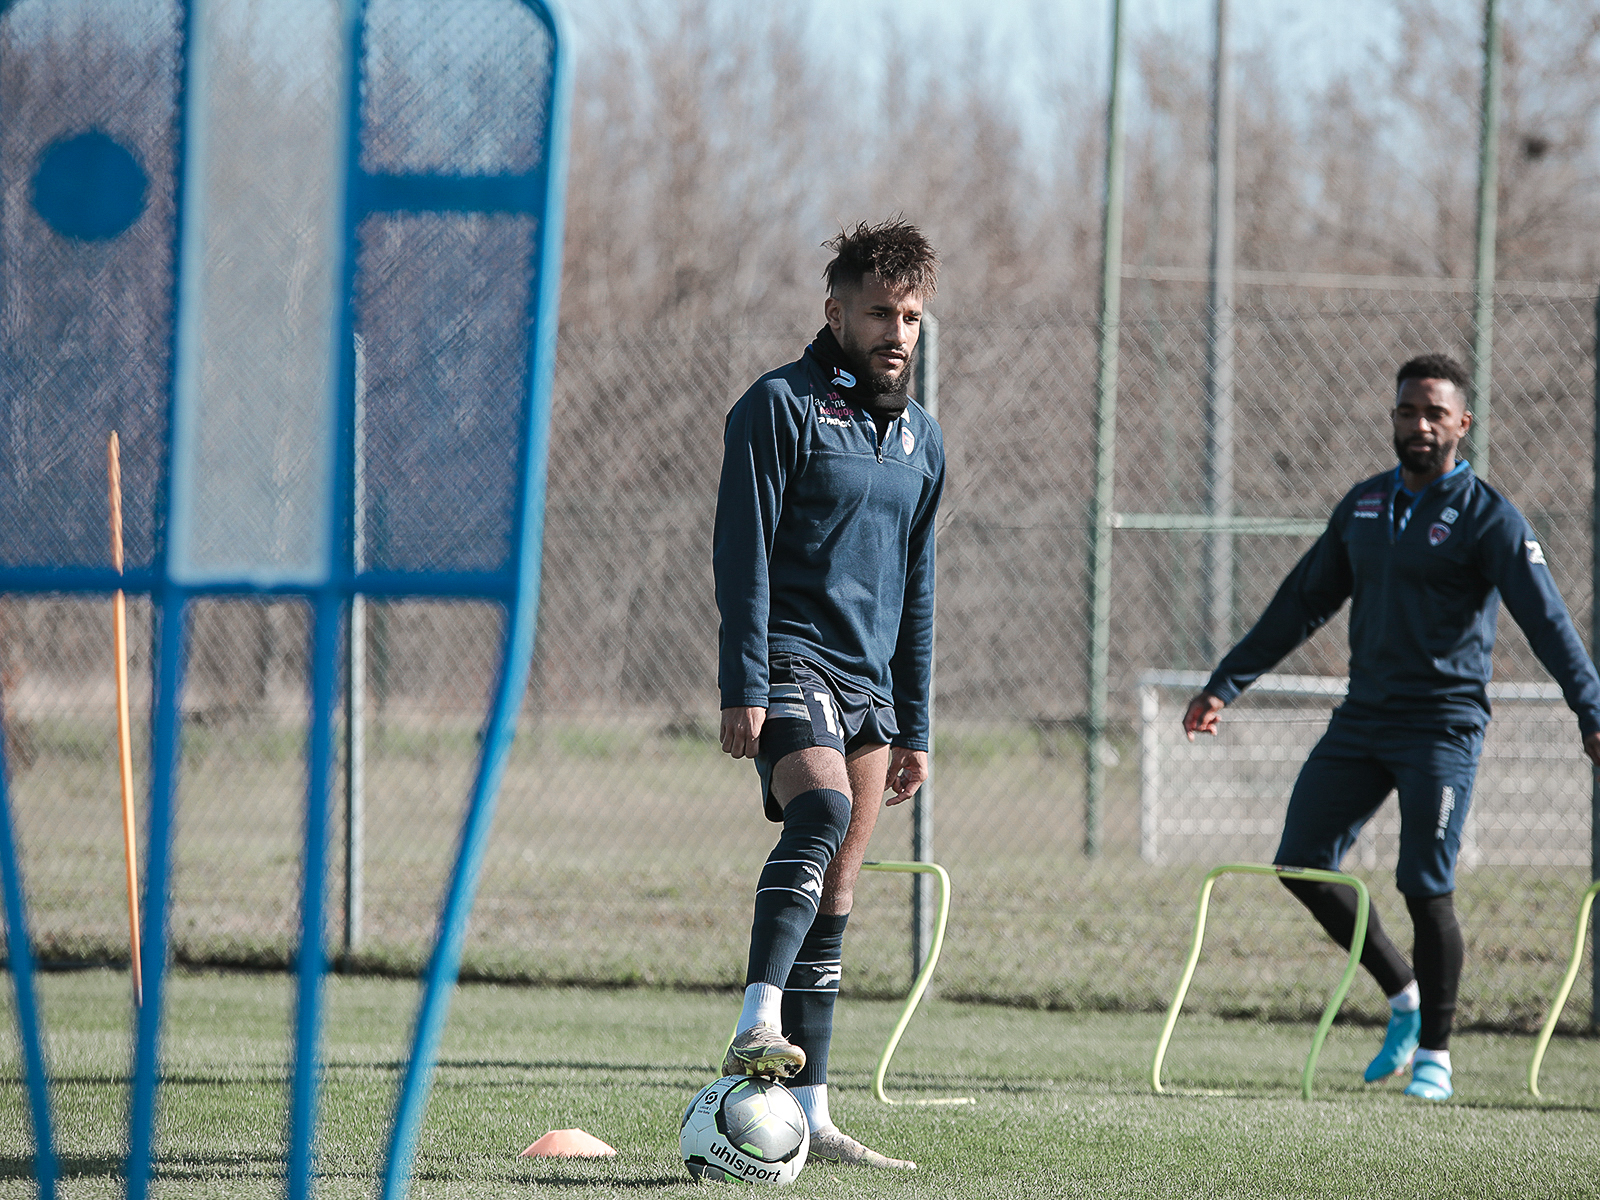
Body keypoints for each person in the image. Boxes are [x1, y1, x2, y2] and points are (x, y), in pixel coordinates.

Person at [1183, 353, 1600, 1102]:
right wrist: (1225, 683)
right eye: (1408, 411)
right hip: (1364, 720)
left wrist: (1591, 713)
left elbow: (1549, 623)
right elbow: (1300, 602)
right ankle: (1403, 993)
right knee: (1301, 861)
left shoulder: (1490, 518)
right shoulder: (1367, 506)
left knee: (1423, 885)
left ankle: (1436, 1058)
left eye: (1435, 413)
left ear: (1461, 425)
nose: (1419, 425)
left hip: (1443, 728)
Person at [712, 219, 942, 1168]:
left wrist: (917, 722)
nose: (898, 332)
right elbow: (742, 553)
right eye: (881, 313)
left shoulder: (922, 440)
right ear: (835, 311)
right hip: (791, 658)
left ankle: (812, 1111)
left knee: (840, 890)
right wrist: (744, 682)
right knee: (819, 816)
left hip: (873, 690)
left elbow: (919, 588)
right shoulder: (779, 407)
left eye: (913, 316)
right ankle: (757, 1016)